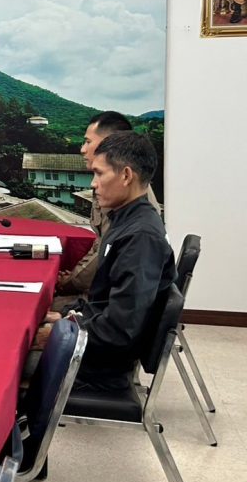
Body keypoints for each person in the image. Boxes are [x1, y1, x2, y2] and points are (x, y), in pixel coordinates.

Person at [47, 131, 175, 392]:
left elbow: (119, 330)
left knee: (7, 358)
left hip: (98, 368)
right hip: (95, 350)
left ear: (126, 176)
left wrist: (59, 333)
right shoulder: (126, 221)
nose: (93, 184)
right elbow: (103, 301)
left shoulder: (140, 237)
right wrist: (64, 315)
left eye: (99, 174)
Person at [55, 111, 160, 305]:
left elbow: (124, 310)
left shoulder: (133, 215)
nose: (82, 149)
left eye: (88, 142)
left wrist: (69, 284)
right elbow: (101, 245)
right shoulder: (125, 196)